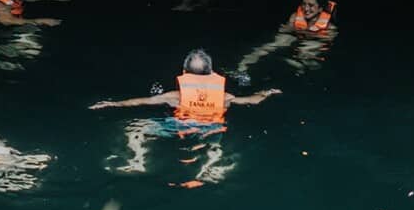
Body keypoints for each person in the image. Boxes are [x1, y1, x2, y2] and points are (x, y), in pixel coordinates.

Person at [89, 50, 280, 183]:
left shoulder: (175, 96)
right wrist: (267, 93)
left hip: (177, 125)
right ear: (211, 73)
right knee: (215, 144)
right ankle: (213, 167)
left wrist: (112, 104)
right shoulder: (224, 97)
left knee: (138, 128)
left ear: (183, 74)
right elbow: (252, 100)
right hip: (211, 127)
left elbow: (141, 101)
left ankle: (137, 160)